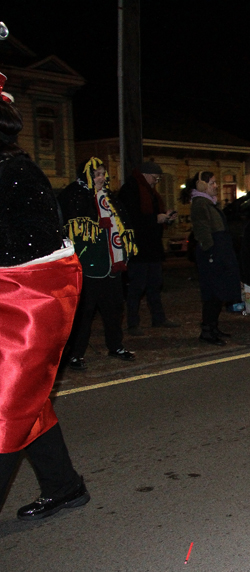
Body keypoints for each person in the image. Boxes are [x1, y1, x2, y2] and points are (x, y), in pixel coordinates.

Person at [0, 76, 90, 520]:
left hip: (28, 302)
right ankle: (64, 485)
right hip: (13, 295)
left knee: (4, 408)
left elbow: (32, 247)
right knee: (28, 400)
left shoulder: (16, 172)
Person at [60, 157, 138, 369]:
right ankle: (75, 354)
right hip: (88, 266)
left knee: (113, 309)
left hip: (112, 266)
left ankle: (116, 345)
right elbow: (70, 229)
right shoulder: (74, 195)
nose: (101, 178)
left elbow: (123, 224)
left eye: (103, 173)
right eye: (97, 174)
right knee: (84, 314)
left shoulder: (109, 197)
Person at [119, 161, 180, 335]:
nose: (157, 181)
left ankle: (158, 318)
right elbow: (130, 219)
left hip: (152, 246)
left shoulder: (149, 192)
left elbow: (150, 215)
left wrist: (165, 217)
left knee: (155, 284)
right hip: (138, 248)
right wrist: (155, 219)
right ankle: (132, 322)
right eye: (155, 177)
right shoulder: (130, 190)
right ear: (145, 175)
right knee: (136, 286)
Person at [188, 171, 242, 345]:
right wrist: (211, 252)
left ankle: (213, 327)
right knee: (212, 294)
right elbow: (202, 230)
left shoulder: (208, 203)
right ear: (202, 185)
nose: (216, 186)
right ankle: (207, 331)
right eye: (212, 183)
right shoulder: (200, 203)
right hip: (213, 254)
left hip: (219, 251)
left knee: (219, 293)